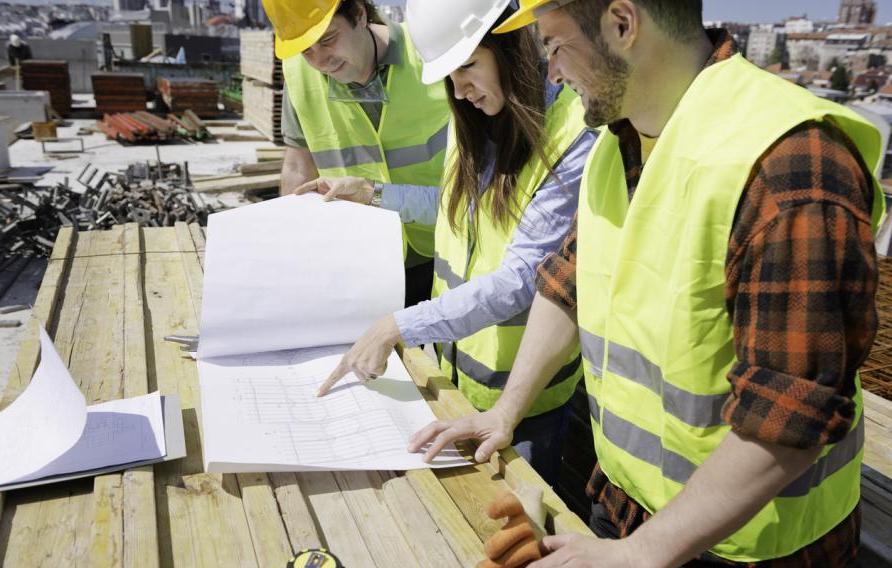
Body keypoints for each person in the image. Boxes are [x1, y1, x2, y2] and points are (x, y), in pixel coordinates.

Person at [410, 0, 885, 565]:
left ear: (622, 24)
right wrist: (505, 412)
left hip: (750, 545)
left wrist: (642, 554)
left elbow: (789, 414)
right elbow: (566, 284)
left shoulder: (789, 165)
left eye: (557, 46)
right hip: (629, 510)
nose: (552, 72)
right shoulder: (621, 143)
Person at [309, 0, 596, 486]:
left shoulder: (574, 136)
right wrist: (374, 193)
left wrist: (396, 327)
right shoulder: (479, 118)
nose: (459, 90)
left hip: (523, 402)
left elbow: (524, 278)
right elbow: (459, 210)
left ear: (512, 48)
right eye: (449, 74)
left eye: (468, 66)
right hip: (457, 379)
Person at [262, 0, 451, 307]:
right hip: (366, 255)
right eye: (306, 49)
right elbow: (298, 164)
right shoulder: (299, 75)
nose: (320, 60)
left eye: (327, 39)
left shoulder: (428, 54)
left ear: (360, 15)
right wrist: (292, 241)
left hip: (445, 242)